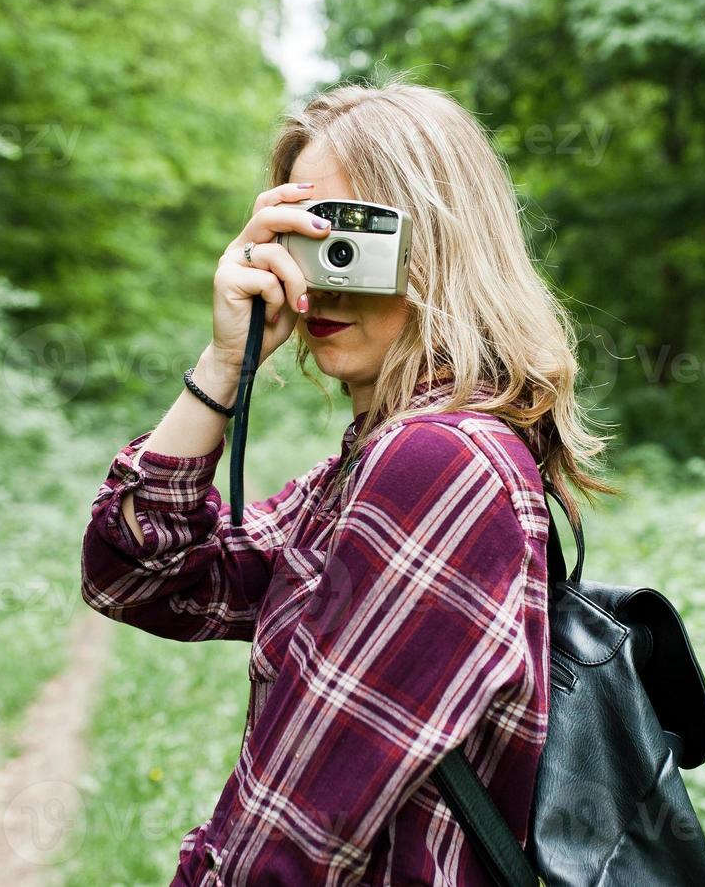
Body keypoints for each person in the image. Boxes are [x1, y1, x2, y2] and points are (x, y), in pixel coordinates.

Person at [80, 79, 616, 885]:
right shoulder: (380, 456)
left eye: (358, 239)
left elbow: (292, 842)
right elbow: (143, 577)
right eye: (305, 237)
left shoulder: (439, 464)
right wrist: (224, 362)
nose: (323, 279)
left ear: (441, 247)